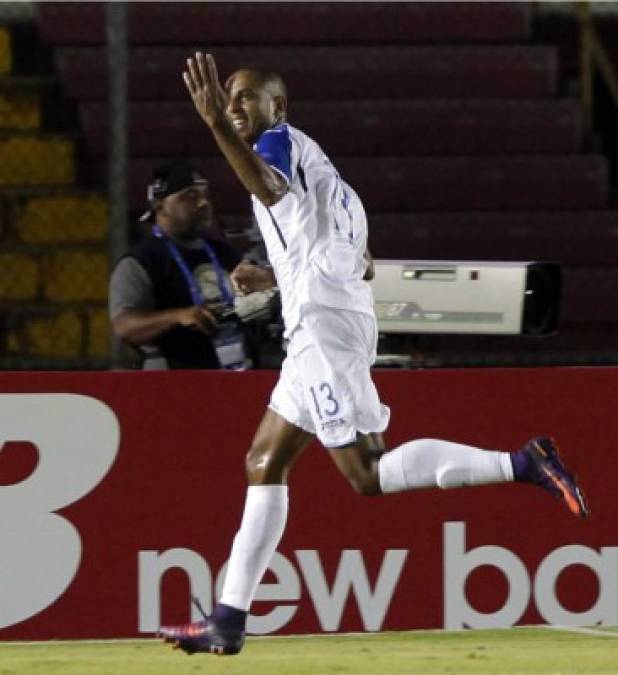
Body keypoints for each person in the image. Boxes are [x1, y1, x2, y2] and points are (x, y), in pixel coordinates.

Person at [160, 53, 589, 655]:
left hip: (322, 332)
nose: (233, 104)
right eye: (227, 96)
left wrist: (215, 127)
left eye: (245, 97)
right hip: (322, 322)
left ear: (276, 108)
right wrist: (279, 281)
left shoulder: (279, 146)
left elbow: (271, 187)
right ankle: (228, 619)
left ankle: (522, 462)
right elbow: (353, 261)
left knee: (367, 474)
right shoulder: (329, 175)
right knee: (263, 460)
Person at [109, 159, 256, 370]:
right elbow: (124, 326)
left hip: (233, 375)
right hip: (172, 383)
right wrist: (178, 316)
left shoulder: (225, 254)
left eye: (205, 195)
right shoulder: (142, 261)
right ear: (160, 206)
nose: (203, 203)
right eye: (190, 196)